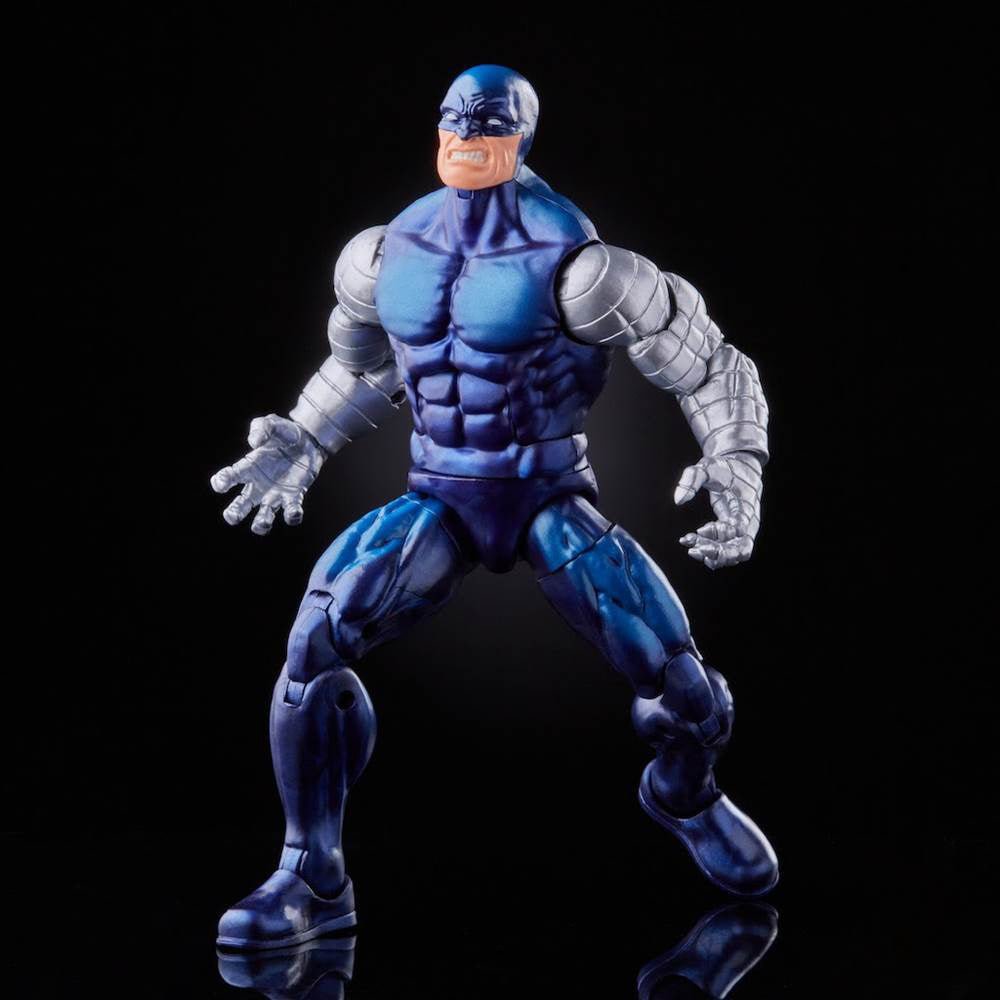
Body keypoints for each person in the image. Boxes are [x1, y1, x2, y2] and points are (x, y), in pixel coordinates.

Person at [212, 64, 777, 951]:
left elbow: (710, 365)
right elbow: (365, 365)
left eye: (487, 119)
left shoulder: (585, 268)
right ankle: (310, 874)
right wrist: (305, 441)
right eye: (454, 115)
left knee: (682, 687)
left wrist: (736, 461)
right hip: (439, 491)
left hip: (549, 491)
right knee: (313, 645)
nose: (467, 131)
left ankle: (684, 794)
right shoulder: (384, 254)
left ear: (522, 133)